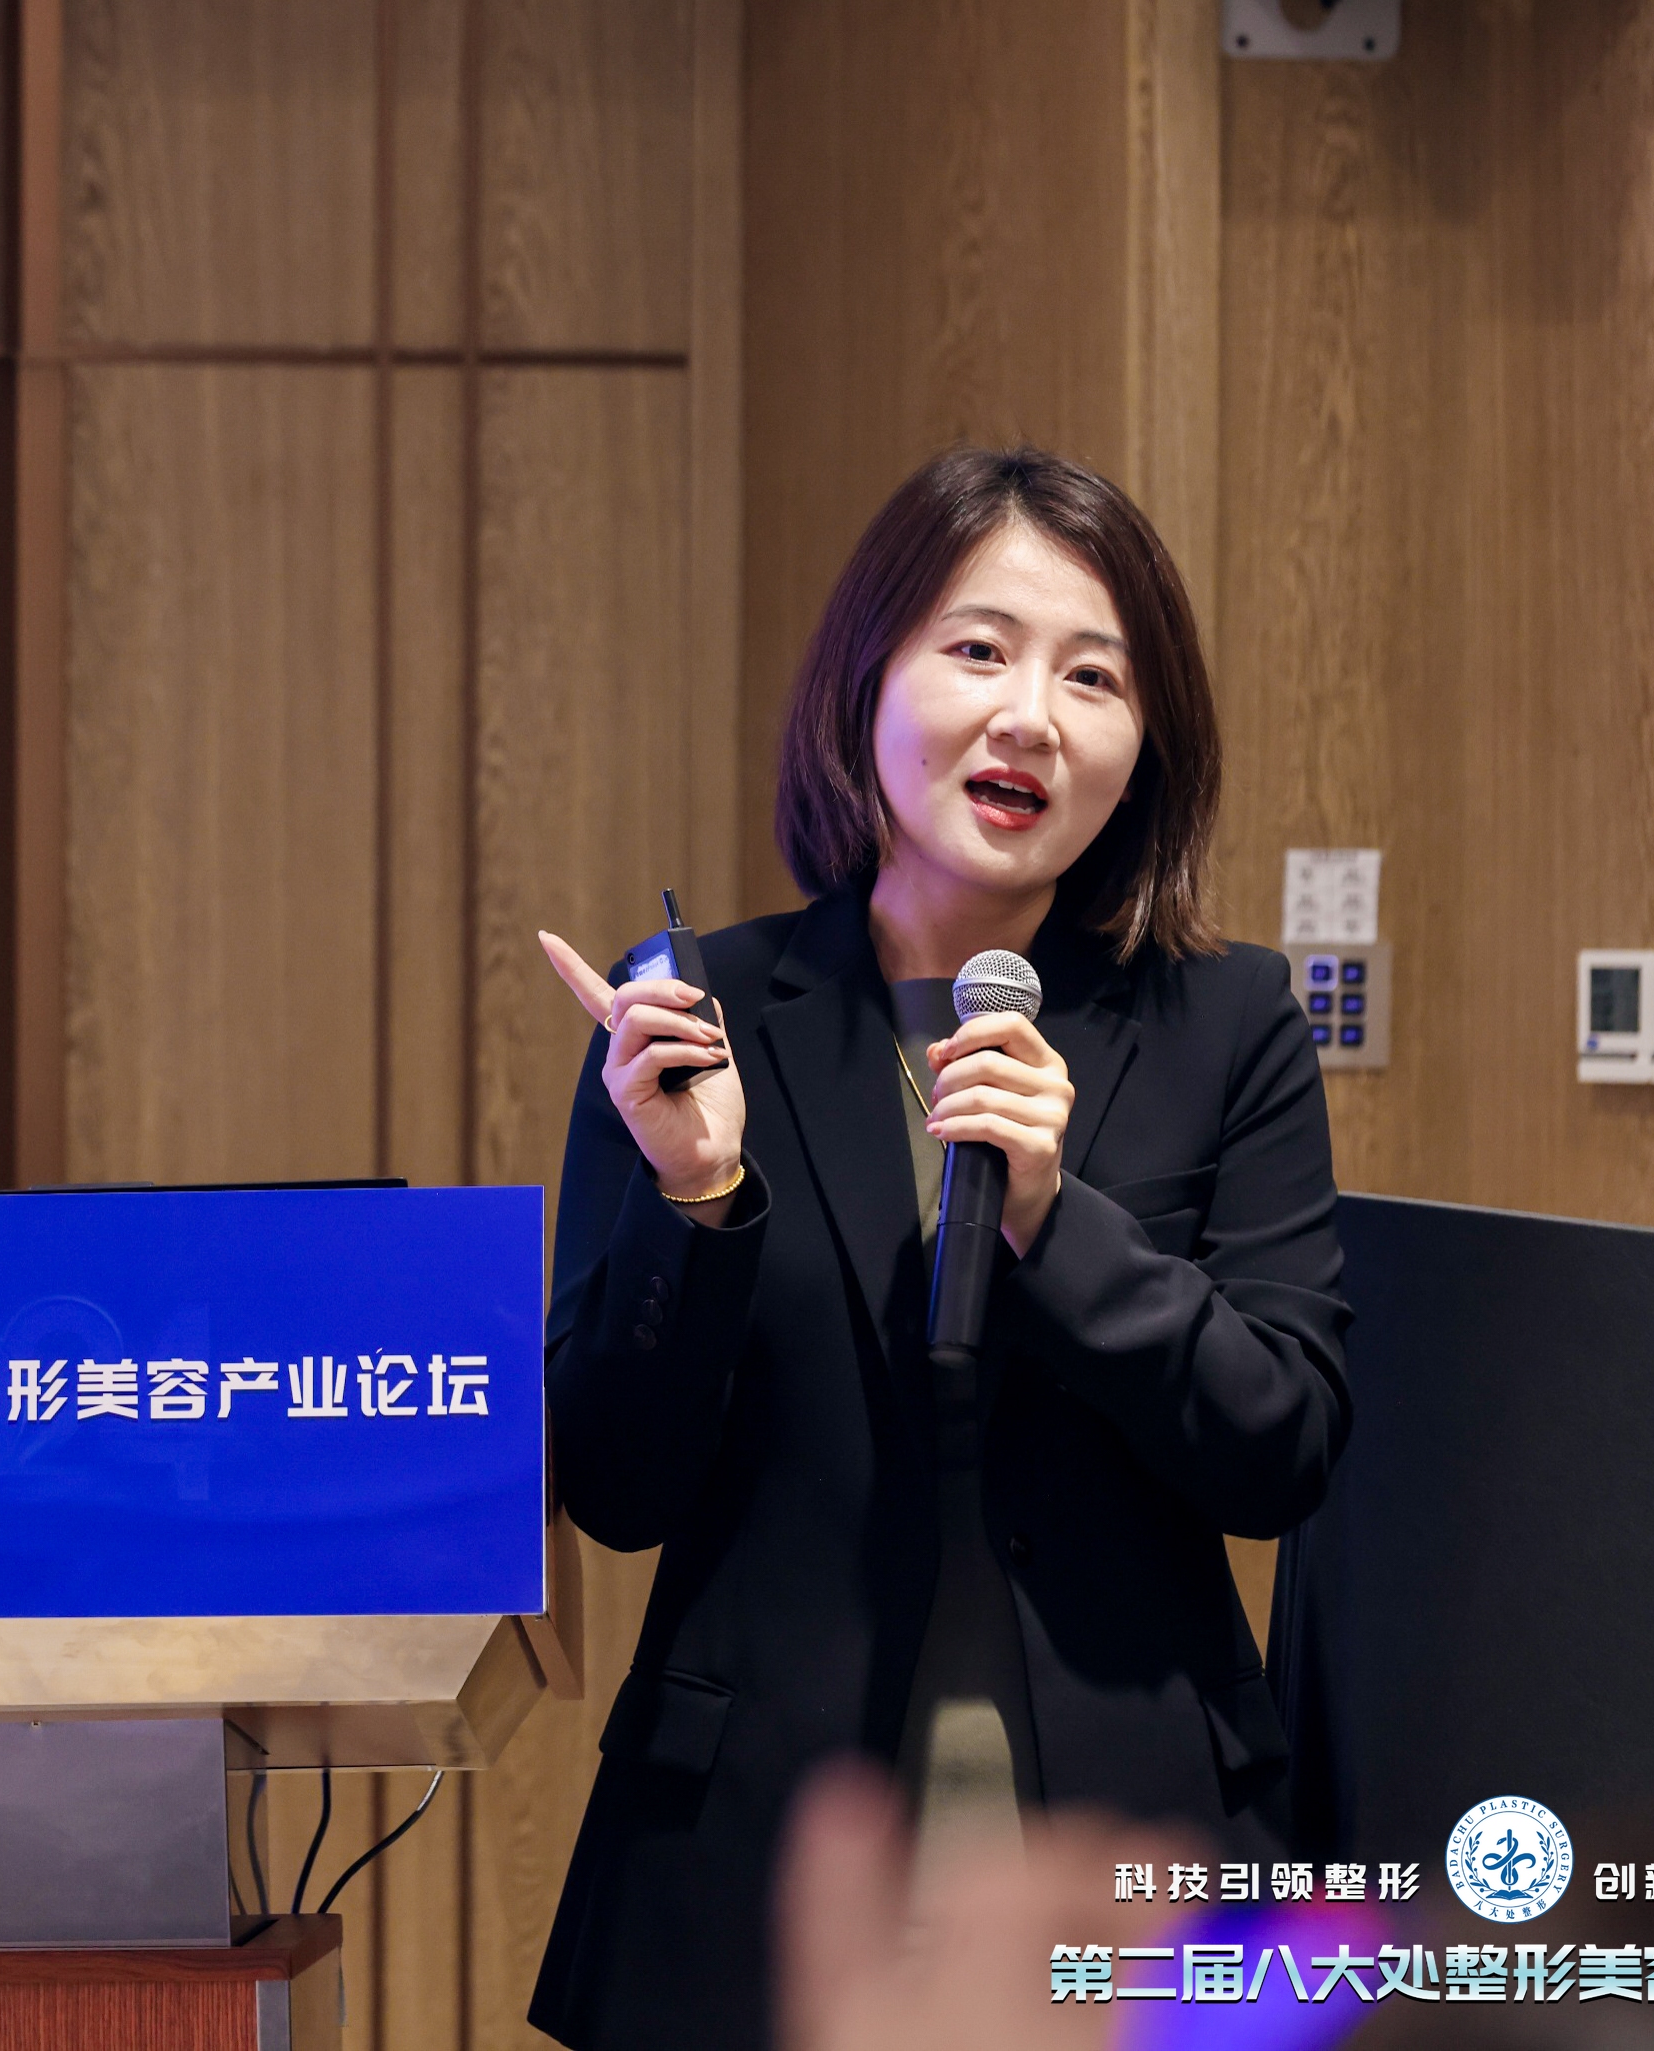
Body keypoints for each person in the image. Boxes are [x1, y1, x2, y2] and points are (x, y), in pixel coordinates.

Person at [524, 445, 1351, 2051]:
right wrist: (697, 1200)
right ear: (866, 684)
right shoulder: (696, 1015)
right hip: (756, 1861)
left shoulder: (1227, 1021)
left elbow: (1283, 1448)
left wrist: (1056, 1221)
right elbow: (618, 1492)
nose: (1031, 715)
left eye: (1094, 677)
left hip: (1135, 1856)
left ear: (1145, 746)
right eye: (979, 650)